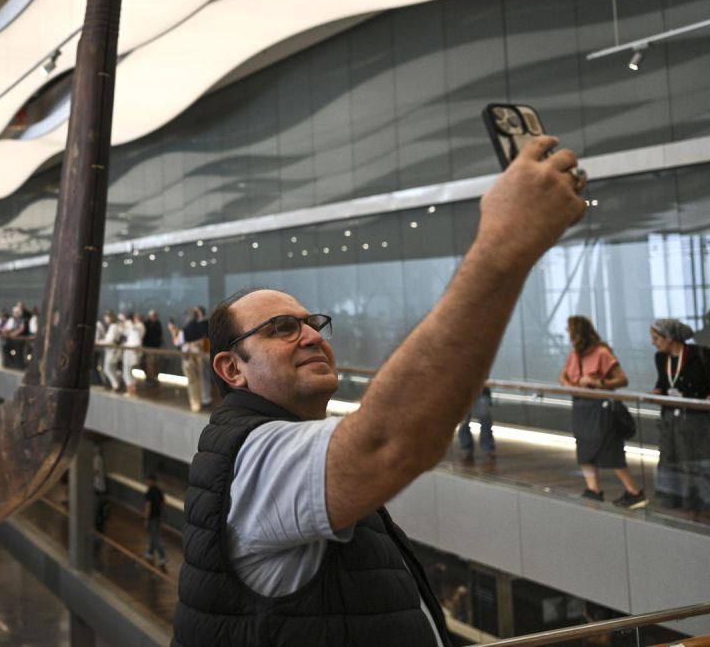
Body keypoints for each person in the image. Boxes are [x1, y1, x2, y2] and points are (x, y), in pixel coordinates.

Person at [174, 135, 588, 646]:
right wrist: (505, 243)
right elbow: (389, 442)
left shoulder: (276, 442)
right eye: (282, 327)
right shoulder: (254, 455)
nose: (310, 336)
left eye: (312, 323)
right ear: (231, 369)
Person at [559, 315, 646, 508]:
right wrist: (569, 385)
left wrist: (598, 383)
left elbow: (622, 380)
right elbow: (564, 375)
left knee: (609, 450)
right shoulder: (575, 354)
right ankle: (593, 489)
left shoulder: (601, 352)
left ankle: (634, 491)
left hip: (600, 408)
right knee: (584, 450)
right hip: (581, 407)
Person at [650, 319, 710, 510]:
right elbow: (663, 382)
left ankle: (701, 500)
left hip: (696, 418)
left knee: (697, 457)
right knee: (671, 457)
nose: (654, 343)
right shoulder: (661, 358)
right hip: (671, 418)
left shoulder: (700, 354)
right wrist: (657, 392)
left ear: (670, 338)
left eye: (657, 338)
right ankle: (676, 499)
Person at [179, 308, 208, 412]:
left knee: (191, 381)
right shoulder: (201, 327)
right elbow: (204, 341)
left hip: (188, 357)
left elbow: (180, 345)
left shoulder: (184, 330)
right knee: (200, 378)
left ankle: (194, 403)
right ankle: (200, 400)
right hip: (199, 355)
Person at [456, 386, 495, 463]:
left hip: (481, 392)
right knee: (464, 424)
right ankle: (467, 450)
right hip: (463, 393)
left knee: (485, 422)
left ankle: (488, 450)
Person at [143, 473, 168, 571]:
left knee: (154, 537)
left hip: (152, 518)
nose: (146, 482)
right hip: (158, 517)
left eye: (147, 480)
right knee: (155, 535)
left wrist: (146, 519)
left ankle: (163, 556)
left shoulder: (149, 492)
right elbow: (163, 502)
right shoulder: (158, 490)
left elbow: (148, 506)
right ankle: (150, 553)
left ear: (151, 481)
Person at [102, 312, 126, 392]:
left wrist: (100, 342)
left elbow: (110, 340)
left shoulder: (114, 326)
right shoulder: (115, 326)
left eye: (107, 317)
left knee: (107, 368)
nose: (106, 319)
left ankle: (116, 385)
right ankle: (116, 384)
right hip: (113, 350)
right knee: (112, 368)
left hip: (112, 350)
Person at [142, 310, 164, 389]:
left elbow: (160, 335)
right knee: (149, 364)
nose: (155, 317)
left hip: (156, 347)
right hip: (148, 347)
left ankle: (154, 378)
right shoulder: (146, 324)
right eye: (153, 315)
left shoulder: (158, 323)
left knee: (156, 364)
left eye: (156, 315)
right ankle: (149, 378)